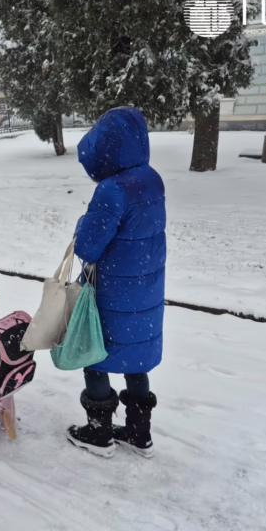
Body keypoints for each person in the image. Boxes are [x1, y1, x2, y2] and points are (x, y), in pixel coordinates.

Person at [66, 108, 166, 459]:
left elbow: (87, 247)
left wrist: (83, 223)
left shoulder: (111, 190)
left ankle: (99, 433)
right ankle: (139, 434)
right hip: (146, 291)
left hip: (112, 294)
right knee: (136, 359)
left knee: (95, 354)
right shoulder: (151, 179)